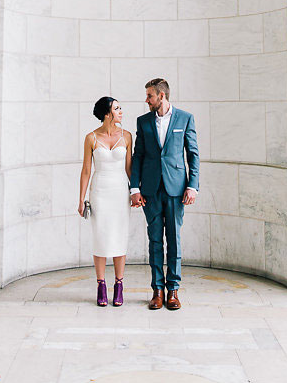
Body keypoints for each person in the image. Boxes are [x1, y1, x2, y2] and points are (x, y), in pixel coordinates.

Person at [130, 78, 199, 310]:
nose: (146, 100)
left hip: (176, 189)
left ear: (162, 95)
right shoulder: (143, 121)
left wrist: (193, 185)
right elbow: (137, 156)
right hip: (150, 190)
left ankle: (174, 291)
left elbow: (193, 154)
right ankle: (157, 291)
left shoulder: (185, 118)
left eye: (149, 96)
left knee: (175, 240)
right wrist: (135, 188)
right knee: (155, 241)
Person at [78, 96, 132, 307]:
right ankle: (101, 285)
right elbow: (85, 171)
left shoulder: (127, 136)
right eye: (117, 109)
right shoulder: (91, 138)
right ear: (107, 113)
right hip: (99, 192)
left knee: (120, 236)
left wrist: (137, 191)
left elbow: (129, 168)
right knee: (100, 237)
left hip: (120, 192)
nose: (121, 112)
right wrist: (81, 199)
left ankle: (119, 285)